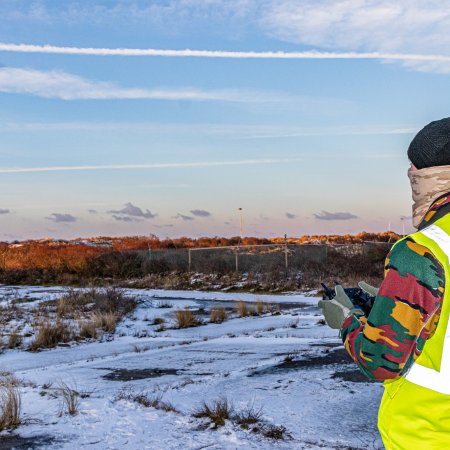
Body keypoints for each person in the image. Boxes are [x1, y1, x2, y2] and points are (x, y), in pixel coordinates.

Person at [319, 117, 450, 450]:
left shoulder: (422, 250)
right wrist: (398, 303)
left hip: (428, 432)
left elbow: (380, 361)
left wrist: (347, 320)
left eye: (414, 169)